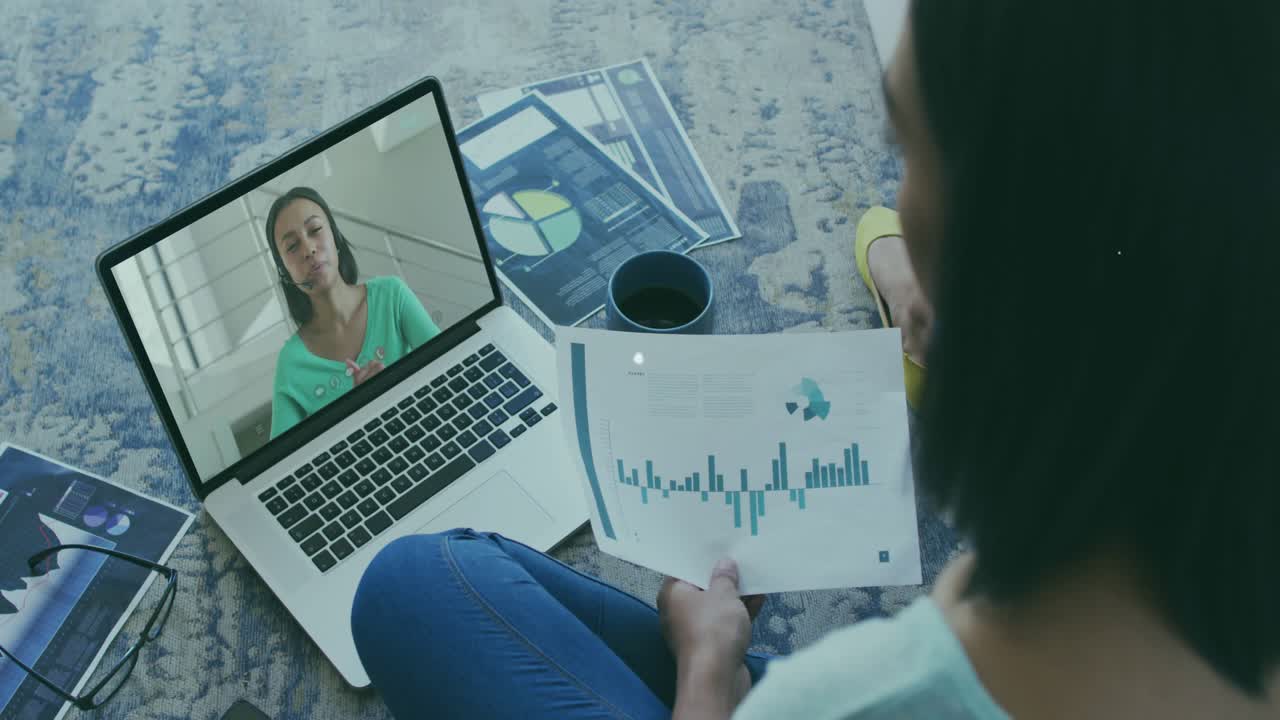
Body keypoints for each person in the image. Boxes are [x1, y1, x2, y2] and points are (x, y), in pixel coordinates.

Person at [349, 1, 1280, 717]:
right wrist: (908, 270)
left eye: (906, 151)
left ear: (1009, 276)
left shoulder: (850, 696)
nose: (897, 196)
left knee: (412, 587)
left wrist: (711, 674)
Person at [267, 187, 440, 439]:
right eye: (292, 246)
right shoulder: (291, 363)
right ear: (285, 273)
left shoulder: (392, 295)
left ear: (335, 238)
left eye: (315, 230)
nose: (308, 250)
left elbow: (449, 368)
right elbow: (278, 466)